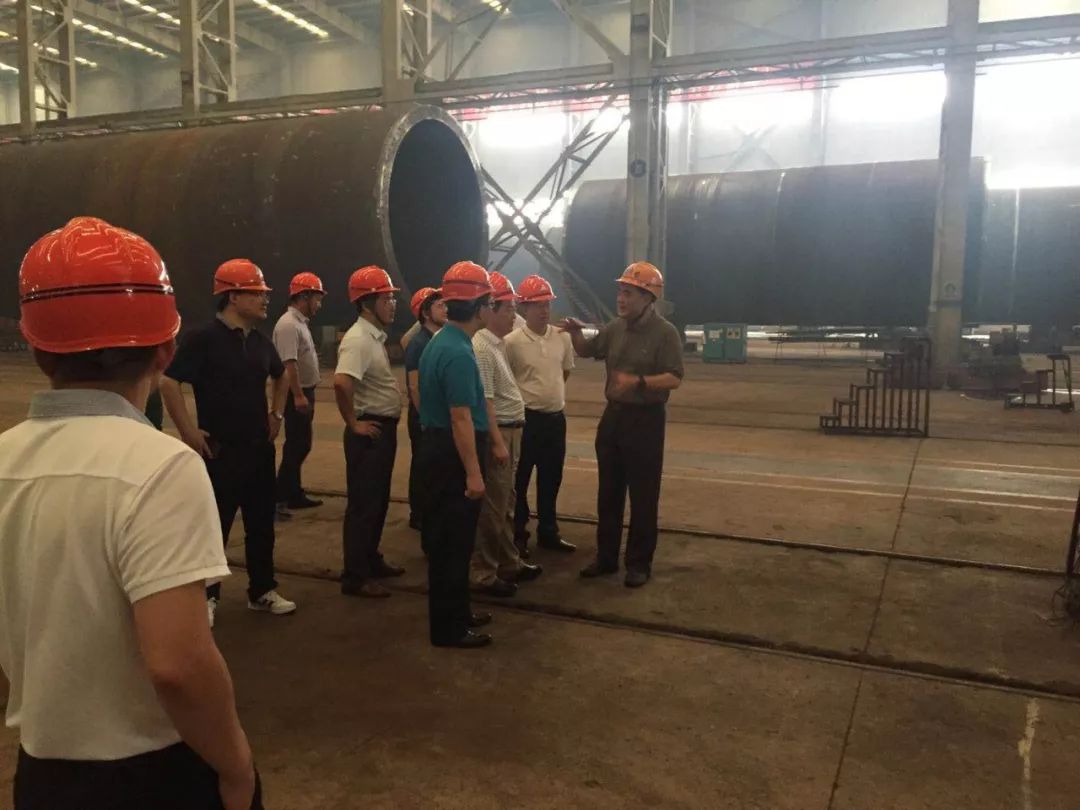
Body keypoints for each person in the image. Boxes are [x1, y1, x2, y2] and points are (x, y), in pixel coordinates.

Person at [0, 217, 260, 809]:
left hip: (42, 774)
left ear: (38, 349)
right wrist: (236, 766)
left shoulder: (5, 459)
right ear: (165, 350)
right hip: (150, 776)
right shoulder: (161, 467)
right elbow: (178, 664)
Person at [161, 258, 297, 627]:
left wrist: (277, 414)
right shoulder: (202, 339)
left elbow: (282, 375)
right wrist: (189, 432)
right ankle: (207, 596)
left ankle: (262, 590)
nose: (265, 299)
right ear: (232, 297)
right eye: (257, 293)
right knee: (214, 526)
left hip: (258, 449)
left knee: (261, 525)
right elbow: (169, 382)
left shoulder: (259, 342)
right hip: (220, 451)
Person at [561, 262, 684, 588]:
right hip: (613, 418)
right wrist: (576, 334)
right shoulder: (615, 328)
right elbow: (588, 350)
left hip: (646, 421)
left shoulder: (665, 333)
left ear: (648, 298)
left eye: (628, 293)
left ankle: (639, 564)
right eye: (620, 292)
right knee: (609, 492)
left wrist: (639, 382)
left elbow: (674, 377)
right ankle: (606, 558)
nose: (621, 298)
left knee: (643, 496)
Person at [418, 261, 496, 648]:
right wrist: (473, 473)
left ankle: (459, 614)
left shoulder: (442, 341)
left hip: (438, 449)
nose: (492, 309)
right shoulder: (460, 353)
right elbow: (460, 417)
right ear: (479, 308)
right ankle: (449, 630)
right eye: (490, 303)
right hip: (453, 454)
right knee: (452, 544)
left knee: (452, 543)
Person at [334, 266, 406, 598]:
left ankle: (370, 559)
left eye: (392, 298)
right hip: (369, 432)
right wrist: (353, 423)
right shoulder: (359, 339)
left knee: (377, 502)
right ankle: (356, 576)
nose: (393, 304)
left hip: (380, 431)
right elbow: (341, 383)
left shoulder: (373, 336)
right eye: (386, 299)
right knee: (364, 505)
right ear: (366, 304)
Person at [470, 272, 544, 597]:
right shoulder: (482, 348)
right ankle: (484, 573)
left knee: (506, 503)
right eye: (509, 308)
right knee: (493, 508)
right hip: (499, 432)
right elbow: (484, 400)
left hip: (511, 431)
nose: (515, 314)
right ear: (490, 309)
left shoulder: (497, 343)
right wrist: (498, 442)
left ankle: (508, 562)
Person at [505, 274, 577, 556]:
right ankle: (518, 534)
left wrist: (550, 396)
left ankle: (549, 531)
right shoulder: (512, 342)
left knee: (551, 478)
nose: (544, 310)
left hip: (555, 420)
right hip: (526, 420)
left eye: (547, 304)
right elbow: (508, 380)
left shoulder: (562, 338)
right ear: (524, 308)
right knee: (520, 479)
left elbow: (564, 372)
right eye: (537, 305)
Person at [273, 272, 326, 517]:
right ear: (303, 297)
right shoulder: (288, 325)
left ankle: (293, 493)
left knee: (300, 444)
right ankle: (279, 496)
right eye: (317, 299)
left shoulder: (300, 323)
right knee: (297, 445)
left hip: (305, 391)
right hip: (297, 393)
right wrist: (297, 396)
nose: (319, 304)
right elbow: (289, 363)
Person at [403, 286, 446, 534]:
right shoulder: (419, 343)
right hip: (423, 416)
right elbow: (414, 386)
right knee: (421, 465)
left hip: (433, 416)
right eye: (440, 306)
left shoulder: (437, 338)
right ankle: (418, 514)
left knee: (432, 465)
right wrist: (424, 418)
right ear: (426, 313)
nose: (445, 309)